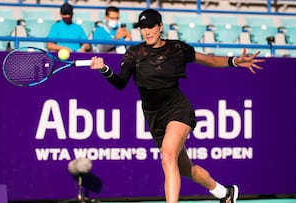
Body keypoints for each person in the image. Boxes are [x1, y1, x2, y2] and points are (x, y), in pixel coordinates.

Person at [90, 9, 264, 203]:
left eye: (151, 27)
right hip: (154, 117)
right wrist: (104, 69)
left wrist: (234, 61)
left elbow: (211, 60)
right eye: (143, 28)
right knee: (184, 168)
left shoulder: (178, 49)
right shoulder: (134, 54)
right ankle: (223, 192)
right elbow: (120, 82)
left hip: (177, 109)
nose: (147, 32)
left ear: (160, 27)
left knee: (167, 156)